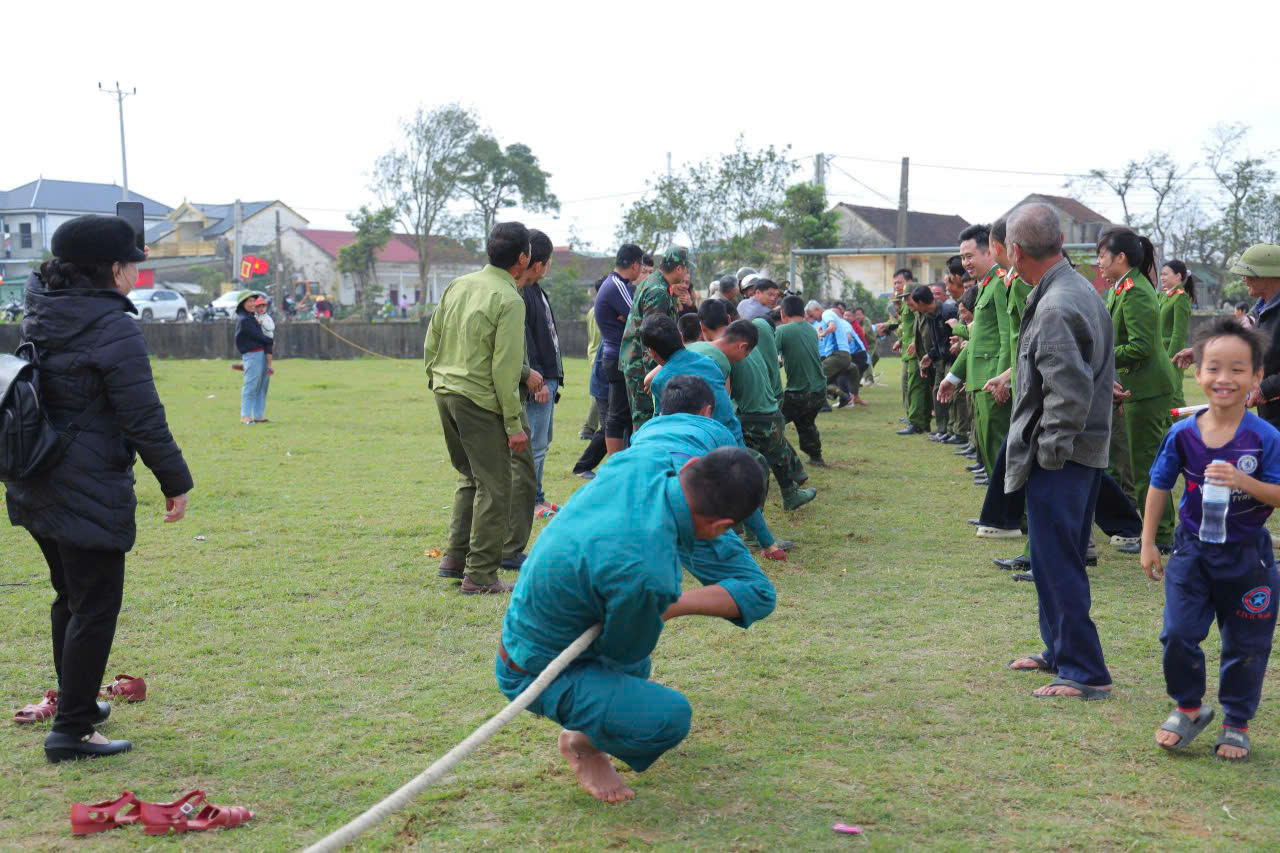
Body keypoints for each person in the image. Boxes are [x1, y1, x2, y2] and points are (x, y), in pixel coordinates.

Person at [5, 215, 192, 762]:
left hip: (35, 476)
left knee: (71, 597)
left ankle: (76, 702)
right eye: (133, 263)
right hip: (85, 483)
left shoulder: (42, 309)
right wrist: (175, 480)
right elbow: (143, 416)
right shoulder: (113, 327)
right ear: (113, 269)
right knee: (95, 605)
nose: (137, 272)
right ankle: (73, 730)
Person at [495, 440, 772, 803]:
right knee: (666, 717)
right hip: (533, 671)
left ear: (689, 465)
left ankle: (592, 722)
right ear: (720, 526)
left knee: (636, 667)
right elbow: (620, 654)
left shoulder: (644, 459)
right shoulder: (649, 575)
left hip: (521, 631)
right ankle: (581, 744)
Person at [1140, 318, 1280, 760]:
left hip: (1248, 557)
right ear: (1197, 373)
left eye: (1238, 370)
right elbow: (1159, 487)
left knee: (1246, 644)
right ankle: (1189, 707)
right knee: (1178, 633)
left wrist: (1244, 480)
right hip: (1192, 551)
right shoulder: (1182, 434)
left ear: (1257, 377)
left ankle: (1236, 722)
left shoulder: (1266, 437)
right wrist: (1147, 543)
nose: (1224, 379)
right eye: (1213, 368)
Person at [1002, 203, 1114, 699]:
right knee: (1049, 559)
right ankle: (1060, 649)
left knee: (1059, 560)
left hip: (1062, 456)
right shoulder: (1074, 288)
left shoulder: (1055, 305)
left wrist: (1049, 454)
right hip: (1075, 450)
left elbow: (1068, 394)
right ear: (1061, 239)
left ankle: (1086, 671)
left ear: (1014, 251)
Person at [425, 221, 541, 595]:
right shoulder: (509, 299)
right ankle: (480, 575)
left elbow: (433, 338)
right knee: (495, 486)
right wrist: (513, 423)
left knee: (469, 477)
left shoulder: (460, 285)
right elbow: (505, 367)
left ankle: (454, 558)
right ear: (523, 258)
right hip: (478, 398)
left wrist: (436, 379)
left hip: (446, 390)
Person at [640, 325, 789, 560]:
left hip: (694, 440)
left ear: (652, 353)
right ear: (681, 337)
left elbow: (665, 418)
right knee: (739, 481)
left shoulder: (661, 382)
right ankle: (767, 544)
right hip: (728, 430)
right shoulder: (709, 362)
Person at [1098, 226, 1179, 550]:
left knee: (1146, 464)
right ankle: (1152, 530)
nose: (1098, 262)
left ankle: (1160, 536)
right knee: (1134, 463)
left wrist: (1101, 357)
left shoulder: (1135, 290)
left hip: (1146, 389)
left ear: (1120, 257)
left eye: (1102, 256)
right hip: (1134, 387)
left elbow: (1142, 346)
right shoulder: (1120, 288)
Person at [938, 225, 1008, 479]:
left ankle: (1010, 517)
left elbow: (1008, 338)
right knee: (989, 451)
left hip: (993, 383)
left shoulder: (1000, 283)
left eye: (970, 256)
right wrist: (952, 377)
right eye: (963, 257)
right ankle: (1000, 514)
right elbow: (978, 339)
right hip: (980, 381)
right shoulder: (984, 286)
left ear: (989, 251)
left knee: (999, 451)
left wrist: (1004, 380)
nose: (966, 263)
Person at [722, 319, 815, 510]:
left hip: (753, 413)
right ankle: (790, 491)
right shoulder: (755, 335)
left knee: (763, 458)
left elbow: (725, 392)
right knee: (772, 451)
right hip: (766, 408)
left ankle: (785, 496)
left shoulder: (729, 348)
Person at [619, 247, 690, 435]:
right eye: (686, 269)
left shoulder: (653, 283)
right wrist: (655, 374)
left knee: (645, 420)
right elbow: (654, 335)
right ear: (680, 269)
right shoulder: (658, 290)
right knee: (645, 422)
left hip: (640, 364)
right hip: (644, 367)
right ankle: (641, 462)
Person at [520, 230, 563, 519]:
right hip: (537, 380)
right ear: (538, 264)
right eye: (548, 261)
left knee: (543, 442)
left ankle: (538, 495)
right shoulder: (521, 292)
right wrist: (535, 379)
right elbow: (525, 340)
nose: (549, 267)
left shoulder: (535, 288)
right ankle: (529, 501)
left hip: (548, 377)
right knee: (534, 444)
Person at [594, 244, 645, 455]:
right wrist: (631, 318)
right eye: (641, 267)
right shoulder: (617, 285)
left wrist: (628, 318)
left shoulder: (613, 284)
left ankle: (618, 461)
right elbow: (639, 317)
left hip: (614, 356)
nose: (641, 272)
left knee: (620, 414)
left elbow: (631, 317)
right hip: (620, 358)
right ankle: (616, 462)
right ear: (635, 264)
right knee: (620, 414)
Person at [777, 295, 828, 466]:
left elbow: (770, 356)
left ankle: (787, 463)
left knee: (772, 424)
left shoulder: (782, 331)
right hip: (820, 390)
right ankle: (816, 456)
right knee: (805, 421)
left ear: (783, 314)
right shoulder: (811, 329)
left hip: (800, 392)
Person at [1158, 260, 1195, 408]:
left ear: (1178, 276)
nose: (1162, 278)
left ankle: (1183, 429)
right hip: (1159, 353)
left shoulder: (1181, 298)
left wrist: (1171, 357)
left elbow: (1178, 333)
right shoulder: (1162, 296)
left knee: (1174, 396)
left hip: (1171, 355)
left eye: (1165, 274)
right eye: (1161, 274)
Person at [236, 293, 273, 425]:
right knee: (251, 385)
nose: (252, 304)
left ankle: (258, 415)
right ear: (242, 304)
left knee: (262, 385)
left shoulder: (251, 317)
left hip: (261, 353)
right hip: (252, 354)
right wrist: (270, 341)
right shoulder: (244, 319)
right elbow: (258, 336)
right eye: (249, 301)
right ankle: (245, 416)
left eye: (253, 301)